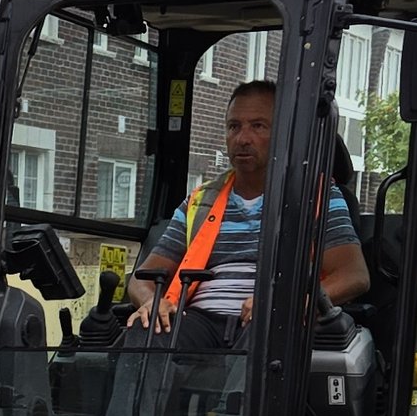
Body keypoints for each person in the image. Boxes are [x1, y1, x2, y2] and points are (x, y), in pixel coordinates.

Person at [125, 78, 367, 353]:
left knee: (269, 329)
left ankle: (235, 399)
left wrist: (285, 300)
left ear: (284, 134)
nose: (242, 138)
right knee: (148, 328)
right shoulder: (201, 200)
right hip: (197, 320)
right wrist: (151, 302)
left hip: (272, 318)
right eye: (234, 127)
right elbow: (141, 278)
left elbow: (354, 275)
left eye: (258, 126)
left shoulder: (318, 196)